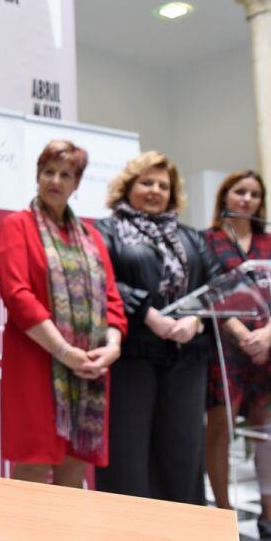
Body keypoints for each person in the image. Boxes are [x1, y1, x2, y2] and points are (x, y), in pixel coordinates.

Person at [93, 151, 231, 504]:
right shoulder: (104, 230)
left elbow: (218, 285)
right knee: (128, 454)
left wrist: (196, 320)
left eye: (163, 185)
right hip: (132, 356)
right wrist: (147, 313)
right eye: (146, 183)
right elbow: (100, 280)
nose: (155, 190)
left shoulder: (192, 236)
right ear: (128, 186)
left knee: (183, 453)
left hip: (186, 355)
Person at [0, 140, 126, 487]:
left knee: (74, 465)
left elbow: (113, 301)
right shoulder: (17, 225)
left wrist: (112, 348)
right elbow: (17, 295)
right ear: (37, 175)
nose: (55, 180)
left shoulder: (93, 238)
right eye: (48, 172)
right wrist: (64, 351)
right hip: (36, 365)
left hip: (87, 369)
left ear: (77, 183)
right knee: (34, 465)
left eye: (65, 174)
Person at [202, 170, 271, 541]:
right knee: (220, 430)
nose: (247, 199)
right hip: (225, 349)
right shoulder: (209, 241)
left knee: (269, 432)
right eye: (240, 191)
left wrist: (268, 332)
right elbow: (207, 293)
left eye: (254, 193)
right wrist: (240, 332)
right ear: (225, 197)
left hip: (266, 353)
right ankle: (222, 515)